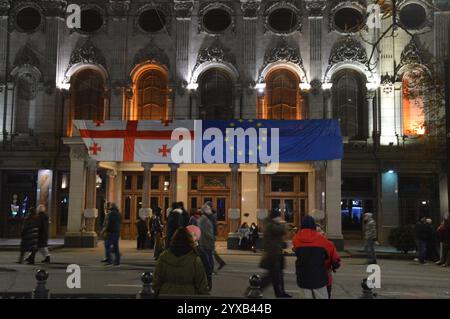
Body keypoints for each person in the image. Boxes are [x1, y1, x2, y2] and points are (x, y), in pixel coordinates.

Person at [292, 215, 340, 299]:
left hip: (302, 276)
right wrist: (335, 263)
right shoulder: (321, 239)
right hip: (319, 276)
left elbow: (296, 250)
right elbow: (333, 254)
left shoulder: (296, 239)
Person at [152, 228, 209, 296]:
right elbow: (202, 285)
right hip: (188, 295)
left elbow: (156, 281)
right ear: (189, 240)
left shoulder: (163, 257)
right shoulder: (195, 260)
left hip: (166, 294)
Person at [257, 209, 291, 298]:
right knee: (273, 276)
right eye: (279, 216)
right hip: (273, 254)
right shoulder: (270, 225)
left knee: (277, 275)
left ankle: (280, 293)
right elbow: (281, 230)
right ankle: (256, 288)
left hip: (276, 253)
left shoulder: (271, 224)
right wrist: (283, 223)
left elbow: (278, 237)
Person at [186, 225, 213, 291]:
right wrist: (209, 284)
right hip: (196, 286)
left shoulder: (182, 251)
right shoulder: (201, 253)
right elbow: (207, 269)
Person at [204, 201, 226, 270]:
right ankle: (220, 262)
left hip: (210, 235)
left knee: (209, 251)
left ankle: (211, 267)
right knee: (211, 251)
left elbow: (212, 225)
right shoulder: (212, 214)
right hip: (211, 234)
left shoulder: (211, 215)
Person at [198, 204, 216, 290]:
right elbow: (205, 232)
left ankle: (209, 271)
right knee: (207, 258)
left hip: (206, 243)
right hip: (206, 243)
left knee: (208, 257)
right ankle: (209, 273)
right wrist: (212, 237)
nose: (210, 211)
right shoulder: (204, 219)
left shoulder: (205, 219)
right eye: (209, 209)